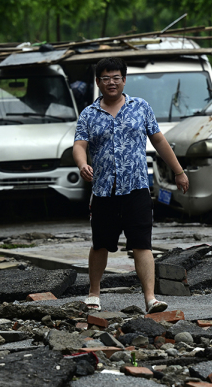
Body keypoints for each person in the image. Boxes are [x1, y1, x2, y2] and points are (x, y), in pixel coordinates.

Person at [73, 57, 189, 313]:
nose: (111, 82)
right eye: (105, 78)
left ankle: (150, 298)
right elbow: (79, 144)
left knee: (142, 243)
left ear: (124, 80)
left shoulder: (141, 107)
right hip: (104, 190)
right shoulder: (88, 115)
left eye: (116, 77)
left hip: (136, 188)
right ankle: (94, 293)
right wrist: (82, 164)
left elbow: (159, 141)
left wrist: (178, 171)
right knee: (100, 243)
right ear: (98, 82)